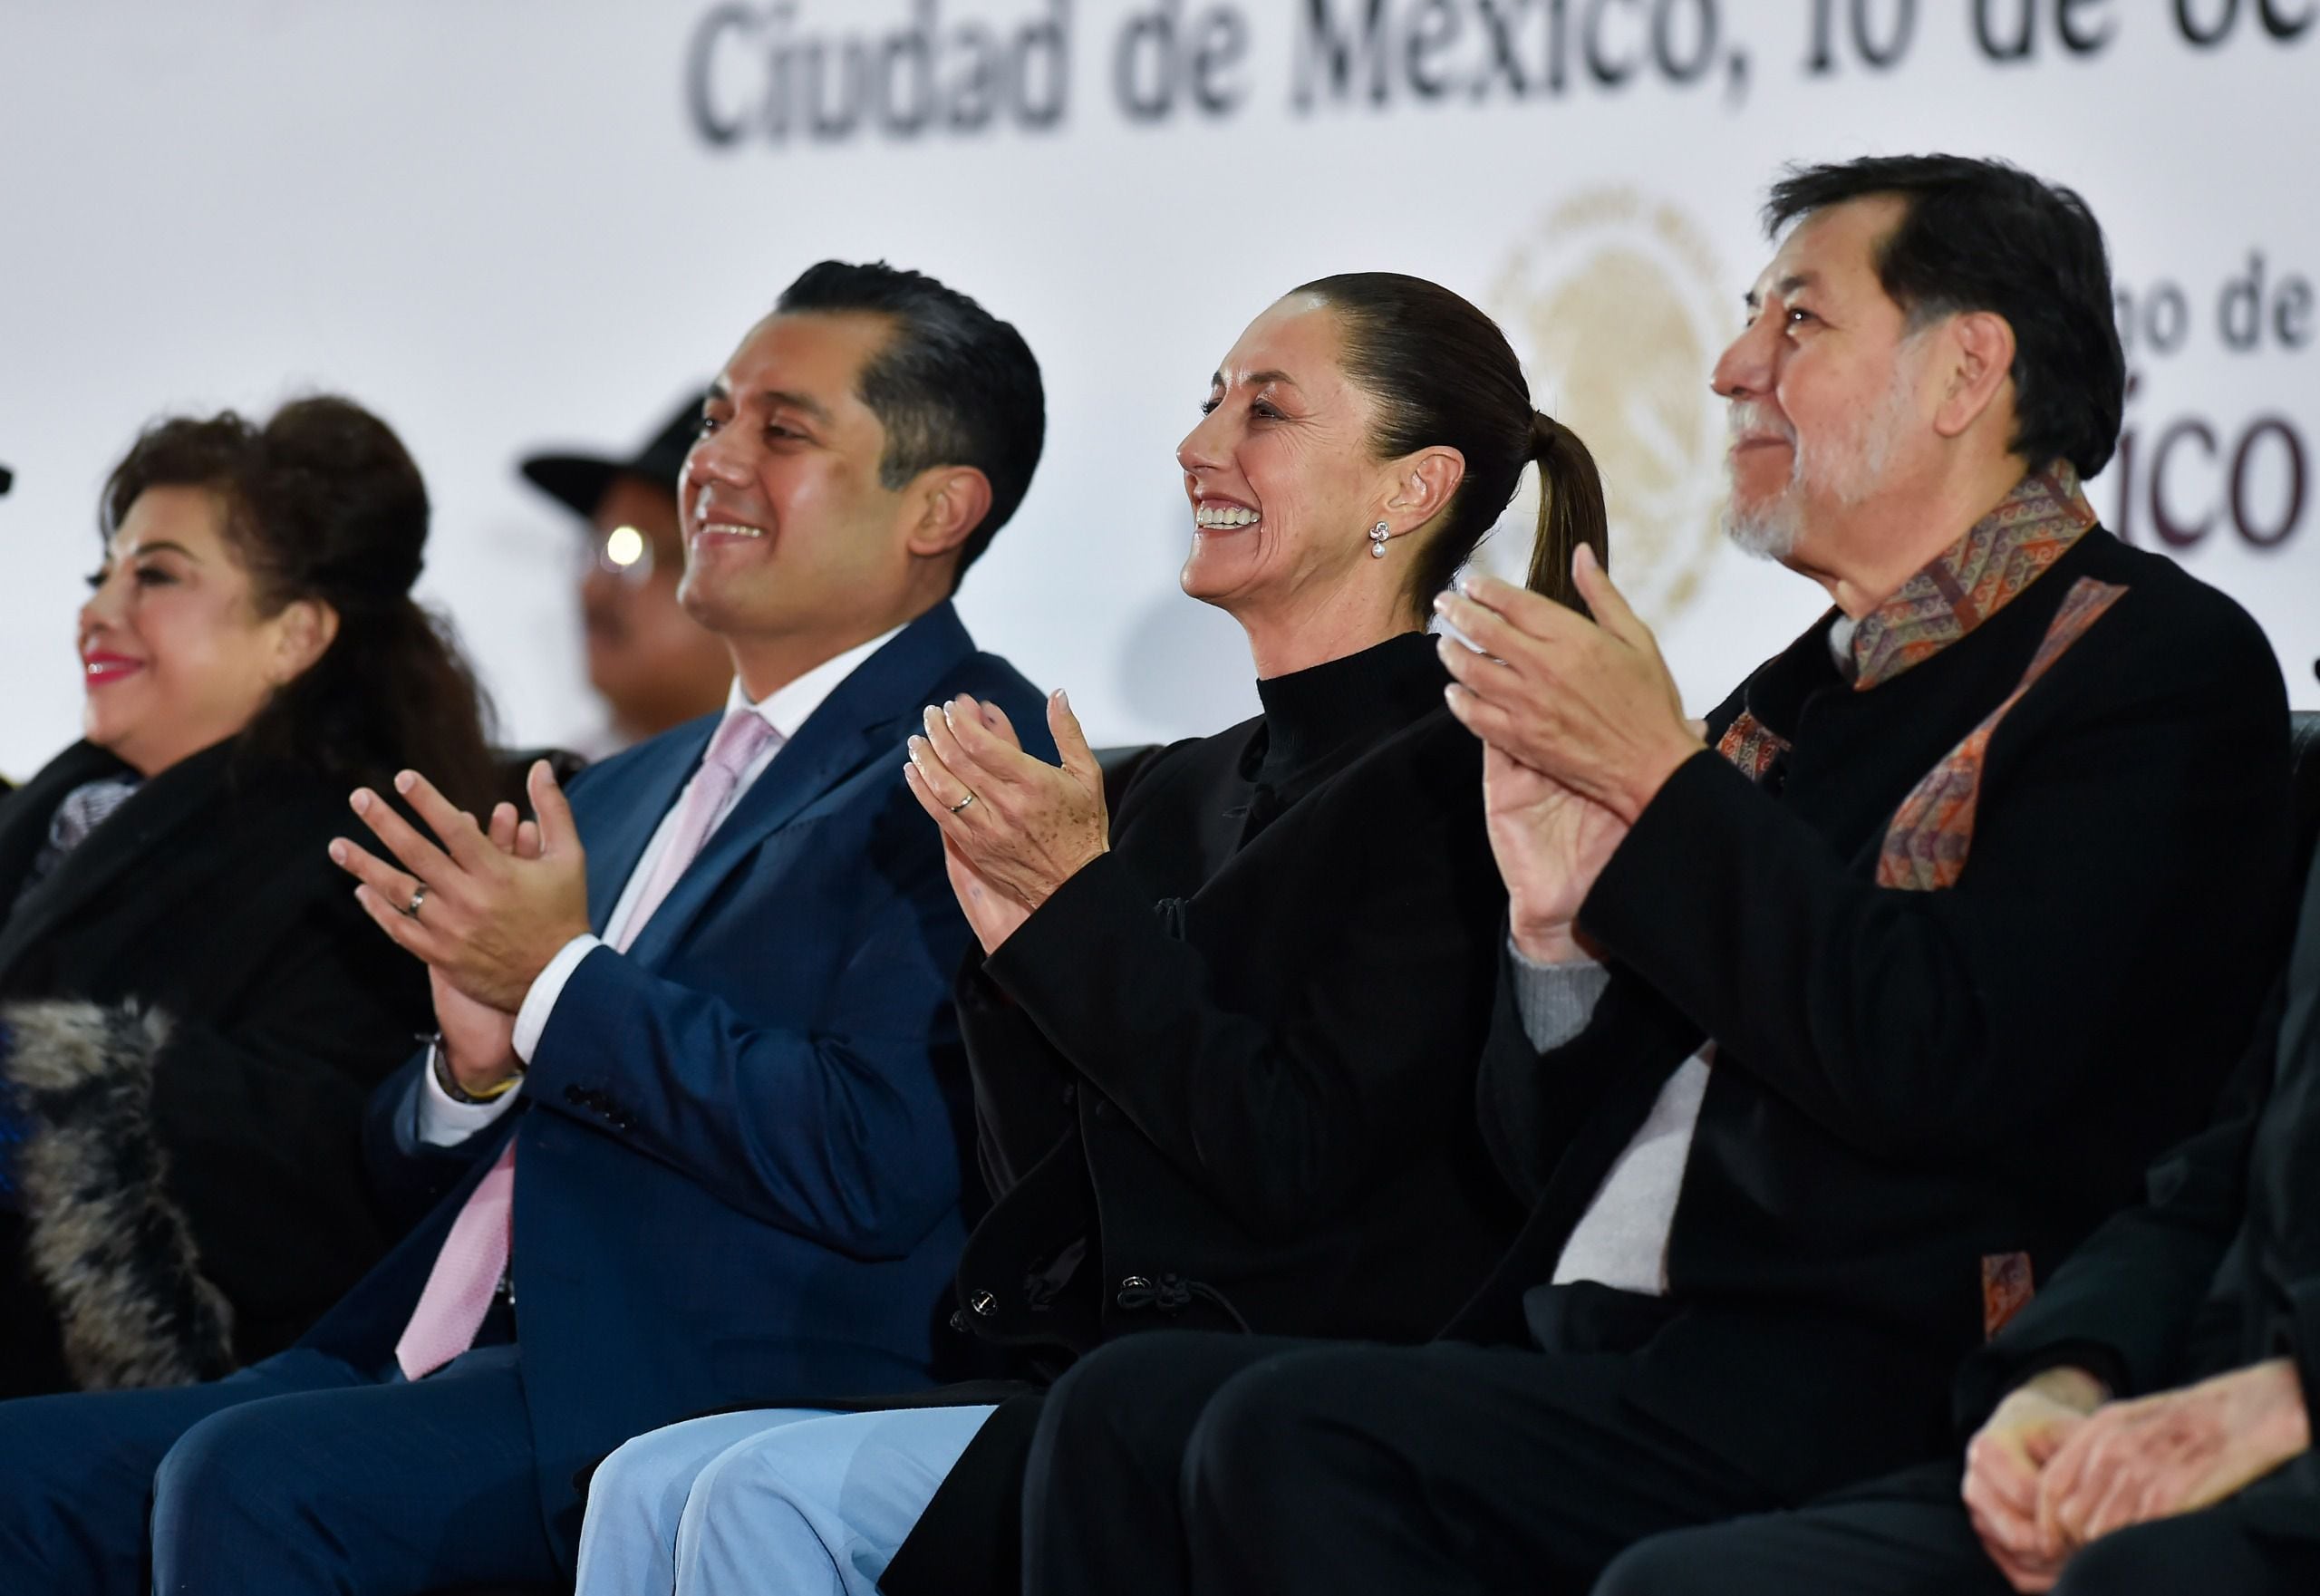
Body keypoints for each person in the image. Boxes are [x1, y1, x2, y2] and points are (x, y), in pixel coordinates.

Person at [1013, 155, 2296, 1596]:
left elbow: (1945, 1059)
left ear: (1967, 370)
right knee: (1119, 1418)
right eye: (1750, 318)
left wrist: (1667, 793)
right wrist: (1555, 943)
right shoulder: (1790, 695)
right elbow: (1535, 1154)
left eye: (1796, 323)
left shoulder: (2145, 667)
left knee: (1288, 1438)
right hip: (1607, 1334)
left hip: (1881, 1360)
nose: (1734, 366)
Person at [0, 259, 1052, 1595]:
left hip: (674, 1389)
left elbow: (876, 1151)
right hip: (409, 1350)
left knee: (255, 1483)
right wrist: (470, 1065)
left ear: (939, 507)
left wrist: (558, 984)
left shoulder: (972, 756)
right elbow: (398, 1163)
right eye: (716, 418)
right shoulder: (616, 789)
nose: (714, 461)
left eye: (780, 432)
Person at [570, 273, 1610, 1596]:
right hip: (1084, 1367)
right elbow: (1048, 1185)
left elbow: (1292, 1161)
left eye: (1267, 411)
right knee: (650, 1480)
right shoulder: (1172, 785)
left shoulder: (1464, 777)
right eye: (1210, 401)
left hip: (1298, 1386)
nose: (1200, 447)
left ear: (1409, 491)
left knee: (755, 1499)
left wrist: (1071, 918)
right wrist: (1011, 946)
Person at [1594, 846, 2320, 1595]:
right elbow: (2222, 1174)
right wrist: (2064, 1374)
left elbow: (1936, 1054)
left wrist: (2292, 1400)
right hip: (2178, 1418)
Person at [0, 397, 498, 1397]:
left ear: (295, 635)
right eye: (103, 573)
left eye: (158, 576)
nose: (100, 608)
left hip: (151, 1397)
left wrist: (35, 1081)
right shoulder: (54, 811)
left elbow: (325, 1151)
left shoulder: (356, 858)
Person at [522, 395, 736, 755]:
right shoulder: (555, 791)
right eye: (596, 547)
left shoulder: (828, 793)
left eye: (631, 551)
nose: (592, 589)